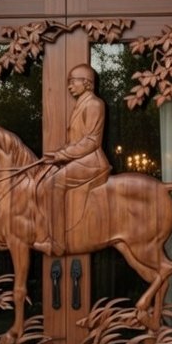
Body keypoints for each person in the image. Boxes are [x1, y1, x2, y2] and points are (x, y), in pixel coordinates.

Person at [33, 63, 111, 256]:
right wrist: (58, 154)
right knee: (42, 178)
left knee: (53, 184)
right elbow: (76, 140)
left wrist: (62, 155)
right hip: (79, 159)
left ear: (86, 83)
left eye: (72, 81)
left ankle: (57, 244)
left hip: (91, 161)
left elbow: (92, 141)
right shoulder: (81, 104)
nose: (69, 86)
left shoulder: (94, 104)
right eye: (68, 82)